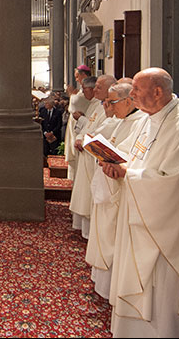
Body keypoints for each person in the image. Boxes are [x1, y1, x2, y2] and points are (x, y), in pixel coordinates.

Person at [98, 68, 179, 337]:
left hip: (164, 229)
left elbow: (174, 183)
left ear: (158, 91)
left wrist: (129, 174)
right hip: (136, 215)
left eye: (137, 89)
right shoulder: (150, 120)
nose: (132, 95)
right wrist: (116, 165)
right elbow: (135, 160)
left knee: (158, 294)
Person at [85, 82, 145, 299]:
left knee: (113, 238)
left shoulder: (140, 122)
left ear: (128, 101)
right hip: (111, 181)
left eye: (112, 102)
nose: (107, 107)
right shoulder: (124, 120)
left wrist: (117, 165)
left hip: (122, 190)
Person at [71, 74, 116, 238]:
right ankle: (85, 230)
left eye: (99, 87)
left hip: (93, 154)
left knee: (90, 196)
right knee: (84, 194)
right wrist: (79, 138)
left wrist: (84, 139)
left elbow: (102, 129)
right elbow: (89, 125)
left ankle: (90, 233)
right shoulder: (96, 105)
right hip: (86, 151)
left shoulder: (108, 106)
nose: (95, 90)